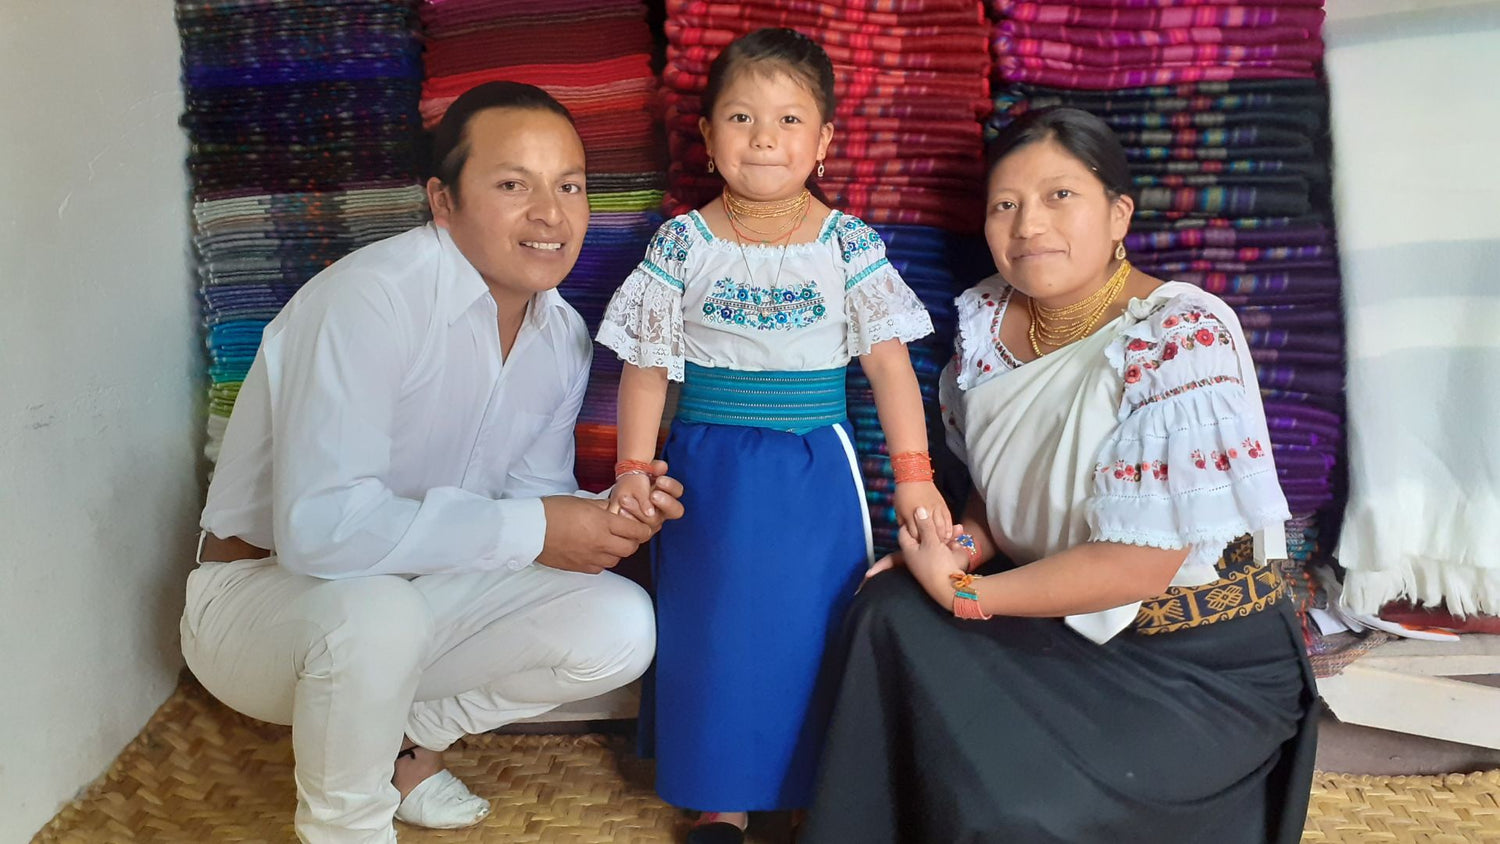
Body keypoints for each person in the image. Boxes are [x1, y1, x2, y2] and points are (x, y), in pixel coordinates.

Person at [179, 82, 685, 844]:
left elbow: (529, 508)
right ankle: (346, 828)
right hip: (264, 603)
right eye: (513, 184)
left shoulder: (562, 337)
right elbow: (321, 531)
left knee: (617, 622)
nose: (551, 214)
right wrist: (538, 526)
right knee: (374, 615)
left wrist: (603, 513)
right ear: (442, 202)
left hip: (415, 605)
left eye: (570, 185)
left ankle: (405, 747)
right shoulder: (370, 301)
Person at [802, 107, 1319, 844]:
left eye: (1059, 197)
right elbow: (1006, 486)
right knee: (886, 611)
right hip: (1056, 617)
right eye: (1004, 205)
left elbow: (1140, 564)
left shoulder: (1179, 334)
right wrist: (967, 545)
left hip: (1193, 660)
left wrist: (964, 593)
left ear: (1119, 215)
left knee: (1020, 812)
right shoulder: (986, 319)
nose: (1027, 224)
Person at [595, 27, 948, 843]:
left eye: (790, 120)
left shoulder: (847, 246)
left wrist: (916, 476)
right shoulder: (682, 244)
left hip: (812, 471)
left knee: (811, 628)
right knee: (711, 630)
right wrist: (636, 467)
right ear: (710, 135)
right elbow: (649, 369)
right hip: (706, 472)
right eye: (743, 117)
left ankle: (812, 789)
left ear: (823, 141)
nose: (765, 137)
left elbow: (891, 370)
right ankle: (720, 797)